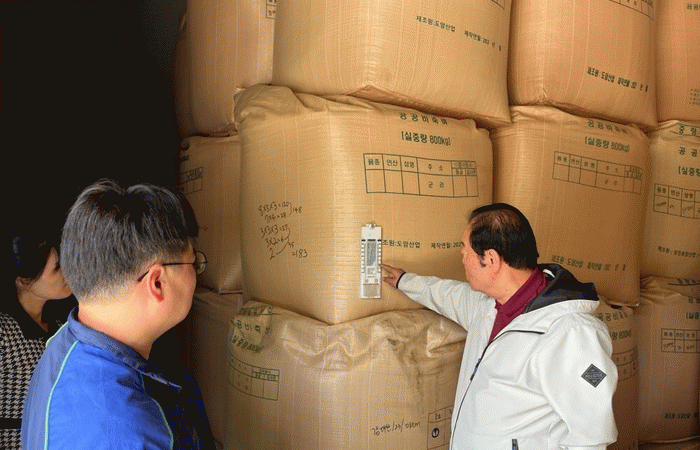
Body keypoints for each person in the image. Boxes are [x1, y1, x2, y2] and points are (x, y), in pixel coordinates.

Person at [381, 203, 618, 450]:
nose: (463, 258)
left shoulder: (570, 334)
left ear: (491, 259)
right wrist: (403, 281)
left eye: (465, 251)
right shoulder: (487, 307)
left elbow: (591, 438)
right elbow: (446, 294)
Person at [21, 179, 216, 450]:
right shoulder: (128, 435)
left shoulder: (66, 342)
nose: (196, 274)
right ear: (157, 282)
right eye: (194, 263)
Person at [1, 220, 73, 449]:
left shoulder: (62, 326)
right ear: (24, 281)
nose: (66, 273)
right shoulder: (4, 333)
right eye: (57, 268)